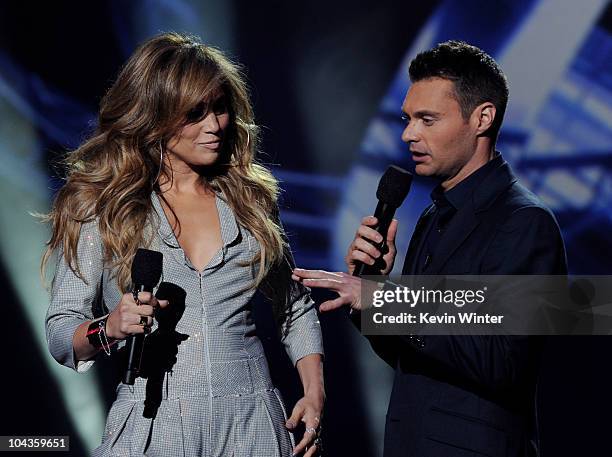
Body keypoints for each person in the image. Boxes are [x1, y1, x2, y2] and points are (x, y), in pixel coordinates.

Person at [44, 33, 324, 457]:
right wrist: (111, 326)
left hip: (251, 425)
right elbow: (63, 331)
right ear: (155, 115)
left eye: (220, 108)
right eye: (195, 113)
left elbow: (293, 305)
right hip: (153, 421)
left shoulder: (250, 199)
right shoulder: (102, 207)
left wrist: (314, 391)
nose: (214, 125)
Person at [292, 41, 567, 456]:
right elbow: (415, 355)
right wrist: (373, 287)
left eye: (427, 119)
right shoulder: (434, 216)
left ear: (483, 118)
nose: (408, 134)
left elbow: (503, 358)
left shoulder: (525, 223)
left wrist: (390, 300)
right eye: (407, 119)